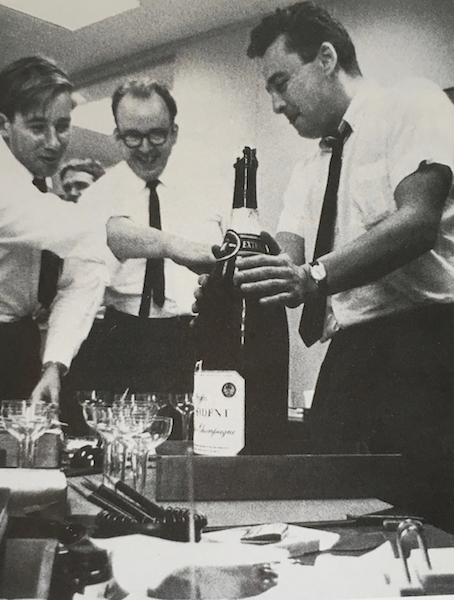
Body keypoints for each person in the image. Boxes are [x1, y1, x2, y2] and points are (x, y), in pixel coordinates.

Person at [199, 2, 454, 523]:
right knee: (329, 505)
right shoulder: (309, 167)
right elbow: (282, 264)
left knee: (427, 510)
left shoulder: (412, 103)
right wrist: (230, 280)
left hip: (430, 341)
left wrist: (313, 275)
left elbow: (418, 221)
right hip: (352, 352)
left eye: (280, 82)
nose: (275, 104)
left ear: (326, 58)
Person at [0, 56, 114, 414]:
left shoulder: (32, 165)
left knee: (26, 450)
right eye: (38, 126)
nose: (54, 142)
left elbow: (84, 268)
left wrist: (53, 364)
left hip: (16, 335)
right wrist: (178, 247)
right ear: (4, 124)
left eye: (63, 125)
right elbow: (99, 235)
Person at [59, 78, 223, 435]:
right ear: (117, 136)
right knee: (114, 446)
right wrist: (54, 365)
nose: (146, 148)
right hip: (121, 339)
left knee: (188, 446)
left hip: (190, 339)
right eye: (133, 136)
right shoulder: (96, 198)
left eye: (157, 135)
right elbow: (76, 290)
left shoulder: (213, 187)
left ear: (174, 132)